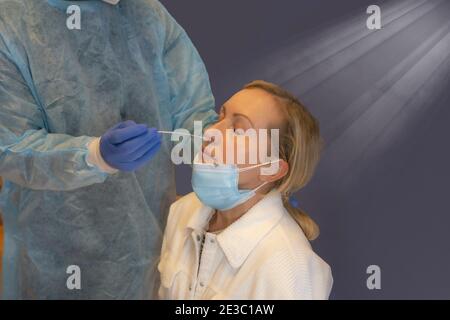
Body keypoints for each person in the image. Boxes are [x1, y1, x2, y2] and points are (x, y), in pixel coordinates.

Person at [0, 0, 217, 299]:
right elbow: (10, 146)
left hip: (147, 245)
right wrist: (93, 156)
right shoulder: (11, 23)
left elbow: (195, 115)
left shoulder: (147, 13)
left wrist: (242, 173)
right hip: (53, 255)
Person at [158, 80, 333, 299]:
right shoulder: (183, 213)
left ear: (271, 169)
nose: (211, 132)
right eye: (221, 117)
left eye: (238, 130)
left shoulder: (289, 271)